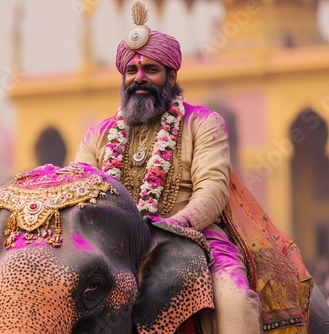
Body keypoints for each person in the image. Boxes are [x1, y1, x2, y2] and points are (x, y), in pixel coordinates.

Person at [74, 1, 260, 332]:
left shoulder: (203, 123)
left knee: (234, 301)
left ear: (171, 77)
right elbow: (78, 191)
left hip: (196, 239)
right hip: (112, 248)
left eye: (150, 70)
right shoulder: (98, 136)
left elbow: (213, 190)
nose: (139, 78)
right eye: (131, 71)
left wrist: (169, 226)